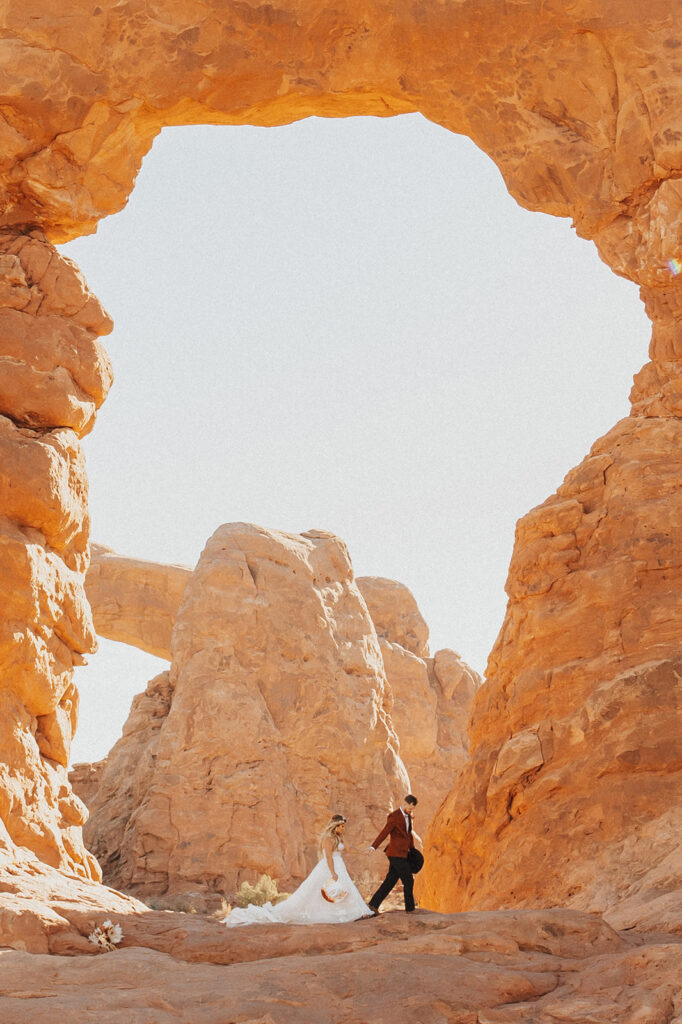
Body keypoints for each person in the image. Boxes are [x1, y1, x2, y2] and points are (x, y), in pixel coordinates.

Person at [223, 814, 374, 926]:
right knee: (318, 892)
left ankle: (357, 912)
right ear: (334, 826)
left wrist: (363, 851)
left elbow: (349, 849)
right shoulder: (328, 839)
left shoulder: (339, 839)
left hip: (340, 866)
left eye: (343, 827)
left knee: (345, 889)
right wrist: (333, 873)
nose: (343, 829)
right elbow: (328, 857)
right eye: (341, 826)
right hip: (330, 867)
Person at [367, 794, 421, 914]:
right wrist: (373, 846)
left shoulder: (408, 816)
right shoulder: (394, 816)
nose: (411, 810)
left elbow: (408, 834)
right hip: (395, 853)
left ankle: (372, 905)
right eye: (410, 808)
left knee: (390, 881)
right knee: (408, 880)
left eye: (412, 809)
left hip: (403, 853)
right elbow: (385, 832)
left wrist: (412, 849)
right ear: (405, 803)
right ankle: (410, 909)